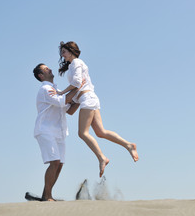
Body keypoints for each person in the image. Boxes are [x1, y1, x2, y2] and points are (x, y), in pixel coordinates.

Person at [57, 41, 139, 177]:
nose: (62, 54)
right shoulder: (73, 65)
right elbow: (76, 91)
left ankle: (102, 158)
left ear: (71, 51)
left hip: (88, 99)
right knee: (100, 132)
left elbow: (77, 82)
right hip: (89, 98)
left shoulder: (76, 62)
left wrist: (61, 93)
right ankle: (129, 145)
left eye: (64, 51)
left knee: (83, 133)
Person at [33, 63, 81, 201]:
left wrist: (81, 96)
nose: (50, 69)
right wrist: (78, 87)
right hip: (45, 130)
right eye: (46, 69)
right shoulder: (46, 89)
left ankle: (46, 195)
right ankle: (47, 197)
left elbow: (70, 110)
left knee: (59, 164)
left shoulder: (57, 89)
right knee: (54, 162)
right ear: (41, 75)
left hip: (59, 132)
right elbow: (63, 101)